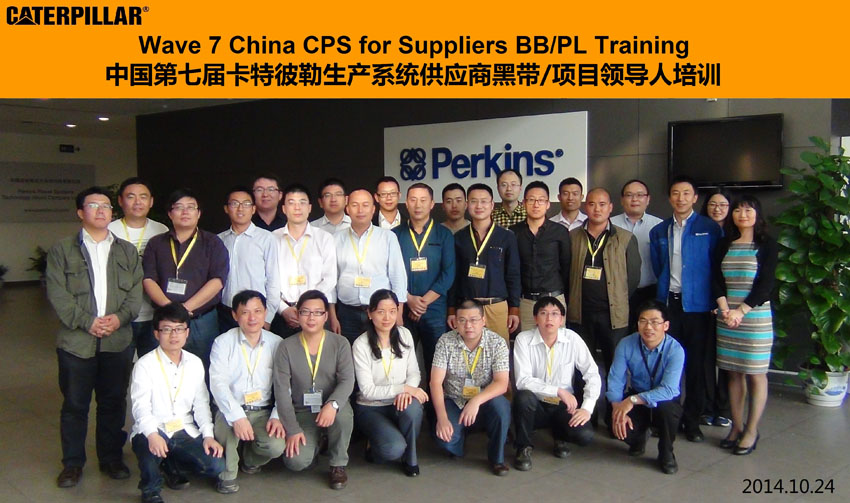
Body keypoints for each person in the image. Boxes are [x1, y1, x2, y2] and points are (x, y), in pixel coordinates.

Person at [47, 186, 144, 488]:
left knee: (113, 403)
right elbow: (57, 294)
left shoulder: (126, 251)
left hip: (117, 340)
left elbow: (135, 293)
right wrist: (87, 322)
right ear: (80, 212)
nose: (101, 210)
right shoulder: (62, 250)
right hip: (77, 343)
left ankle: (111, 458)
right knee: (75, 405)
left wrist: (118, 319)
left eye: (106, 206)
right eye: (93, 205)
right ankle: (72, 464)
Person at [649, 175, 721, 443]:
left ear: (695, 198)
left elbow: (716, 266)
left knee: (696, 366)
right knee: (667, 363)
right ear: (669, 198)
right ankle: (669, 418)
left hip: (699, 307)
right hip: (669, 305)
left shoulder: (709, 228)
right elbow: (659, 266)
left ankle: (692, 421)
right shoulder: (660, 230)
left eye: (686, 193)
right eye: (676, 193)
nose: (681, 198)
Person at [130, 302, 225, 503]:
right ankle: (151, 489)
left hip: (184, 428)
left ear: (187, 332)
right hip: (155, 428)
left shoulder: (195, 363)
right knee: (148, 449)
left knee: (216, 466)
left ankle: (170, 463)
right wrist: (152, 435)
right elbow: (140, 407)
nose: (174, 335)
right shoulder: (144, 365)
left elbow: (201, 404)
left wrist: (208, 436)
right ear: (156, 334)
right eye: (167, 329)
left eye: (179, 329)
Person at [712, 195, 777, 455]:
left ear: (757, 214)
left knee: (755, 374)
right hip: (727, 316)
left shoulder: (767, 245)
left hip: (755, 317)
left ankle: (751, 430)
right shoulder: (724, 244)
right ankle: (736, 427)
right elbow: (715, 279)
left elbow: (766, 284)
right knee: (733, 372)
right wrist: (726, 309)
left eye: (748, 210)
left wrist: (741, 311)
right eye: (738, 210)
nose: (743, 214)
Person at [272, 290, 355, 489]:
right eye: (305, 312)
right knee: (295, 462)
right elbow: (282, 391)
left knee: (343, 414)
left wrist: (332, 404)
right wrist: (292, 429)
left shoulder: (340, 343)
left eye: (317, 312)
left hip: (332, 407)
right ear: (297, 314)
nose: (311, 318)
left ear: (326, 316)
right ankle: (317, 443)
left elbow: (347, 380)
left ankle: (338, 464)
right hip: (302, 411)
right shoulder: (286, 346)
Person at [143, 188, 229, 373]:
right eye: (179, 207)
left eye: (191, 207)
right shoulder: (156, 243)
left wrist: (185, 308)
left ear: (199, 213)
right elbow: (149, 279)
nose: (185, 212)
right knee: (162, 372)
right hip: (165, 320)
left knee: (202, 371)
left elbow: (217, 280)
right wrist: (171, 309)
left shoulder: (213, 243)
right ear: (170, 213)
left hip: (202, 321)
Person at [209, 291, 285, 493]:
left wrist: (277, 416)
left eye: (257, 311)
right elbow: (218, 383)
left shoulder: (277, 343)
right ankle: (228, 474)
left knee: (276, 446)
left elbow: (284, 384)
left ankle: (250, 459)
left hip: (262, 410)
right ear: (235, 315)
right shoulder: (222, 342)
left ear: (265, 313)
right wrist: (237, 416)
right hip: (230, 408)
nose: (252, 318)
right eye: (245, 312)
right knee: (226, 435)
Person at [512, 297, 599, 471]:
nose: (549, 318)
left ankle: (561, 437)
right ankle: (523, 447)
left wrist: (587, 408)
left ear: (562, 319)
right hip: (536, 404)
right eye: (543, 313)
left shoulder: (572, 339)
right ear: (535, 318)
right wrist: (558, 390)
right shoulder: (523, 339)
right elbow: (523, 380)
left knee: (585, 435)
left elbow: (592, 373)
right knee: (523, 398)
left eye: (554, 314)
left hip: (563, 406)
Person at [431, 300, 512, 475]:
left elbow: (501, 383)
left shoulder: (497, 343)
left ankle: (497, 459)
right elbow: (435, 382)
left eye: (474, 320)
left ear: (483, 320)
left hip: (485, 400)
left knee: (501, 407)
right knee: (446, 440)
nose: (468, 326)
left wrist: (476, 401)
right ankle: (460, 437)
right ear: (455, 322)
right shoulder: (445, 341)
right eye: (462, 320)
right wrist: (442, 418)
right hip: (455, 400)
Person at [352, 290, 428, 476]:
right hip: (371, 407)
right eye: (381, 312)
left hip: (400, 401)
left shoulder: (404, 334)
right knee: (393, 449)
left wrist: (407, 392)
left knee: (413, 409)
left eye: (392, 311)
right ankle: (374, 447)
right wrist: (403, 388)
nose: (387, 317)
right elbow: (368, 391)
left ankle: (410, 458)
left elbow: (414, 372)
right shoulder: (361, 344)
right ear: (370, 313)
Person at [567, 188, 641, 374]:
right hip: (581, 314)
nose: (597, 209)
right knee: (581, 367)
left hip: (613, 315)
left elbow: (633, 279)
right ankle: (583, 395)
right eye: (592, 204)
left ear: (610, 207)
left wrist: (618, 297)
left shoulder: (625, 238)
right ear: (585, 207)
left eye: (602, 204)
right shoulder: (572, 236)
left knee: (615, 367)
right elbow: (565, 273)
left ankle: (613, 396)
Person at [607, 300, 685, 475]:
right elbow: (615, 379)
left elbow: (669, 390)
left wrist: (632, 401)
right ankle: (638, 439)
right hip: (637, 395)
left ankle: (666, 452)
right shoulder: (626, 344)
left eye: (655, 322)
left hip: (663, 399)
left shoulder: (675, 350)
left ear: (665, 326)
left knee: (667, 410)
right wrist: (617, 408)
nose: (648, 327)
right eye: (643, 321)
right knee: (617, 425)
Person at [329, 188, 408, 344]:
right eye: (355, 205)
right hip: (346, 313)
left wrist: (398, 312)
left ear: (373, 209)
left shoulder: (387, 237)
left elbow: (398, 276)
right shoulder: (335, 239)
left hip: (380, 313)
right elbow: (331, 279)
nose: (360, 210)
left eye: (365, 205)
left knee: (380, 354)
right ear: (347, 209)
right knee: (348, 355)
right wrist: (332, 315)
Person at [449, 183, 521, 346]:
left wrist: (514, 308)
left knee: (499, 353)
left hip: (496, 306)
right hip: (467, 307)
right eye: (474, 201)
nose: (479, 206)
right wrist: (451, 309)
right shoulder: (459, 238)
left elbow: (513, 275)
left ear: (492, 204)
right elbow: (454, 277)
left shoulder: (506, 236)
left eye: (484, 201)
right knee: (468, 353)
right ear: (467, 205)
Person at [393, 183, 456, 369]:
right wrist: (409, 299)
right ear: (406, 203)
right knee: (401, 362)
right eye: (413, 200)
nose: (418, 205)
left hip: (434, 309)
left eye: (423, 200)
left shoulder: (444, 234)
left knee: (436, 365)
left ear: (432, 204)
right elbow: (389, 273)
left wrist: (422, 303)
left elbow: (448, 273)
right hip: (403, 308)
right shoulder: (394, 235)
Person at [108, 177, 170, 357]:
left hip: (154, 313)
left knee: (151, 364)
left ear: (151, 201)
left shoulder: (162, 230)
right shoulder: (108, 230)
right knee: (120, 366)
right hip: (119, 314)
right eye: (131, 197)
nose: (137, 202)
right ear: (120, 201)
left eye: (143, 197)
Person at [272, 184, 337, 338]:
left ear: (309, 208)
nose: (297, 208)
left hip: (315, 315)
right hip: (283, 314)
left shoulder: (324, 238)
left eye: (302, 202)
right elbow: (267, 280)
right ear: (284, 209)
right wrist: (283, 309)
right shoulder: (272, 239)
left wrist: (307, 309)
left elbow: (330, 278)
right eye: (291, 203)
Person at [217, 186, 280, 333]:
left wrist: (267, 317)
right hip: (225, 312)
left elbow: (273, 280)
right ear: (226, 208)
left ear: (253, 209)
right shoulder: (219, 240)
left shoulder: (266, 238)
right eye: (234, 204)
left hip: (255, 314)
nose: (240, 209)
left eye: (246, 204)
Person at [510, 181, 571, 332]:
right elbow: (512, 270)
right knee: (527, 343)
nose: (536, 204)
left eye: (541, 200)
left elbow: (566, 266)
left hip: (554, 299)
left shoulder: (560, 232)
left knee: (556, 344)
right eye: (531, 200)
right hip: (526, 301)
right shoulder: (514, 232)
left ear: (548, 204)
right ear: (524, 203)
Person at [698, 188, 734, 429]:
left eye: (723, 205)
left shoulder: (735, 235)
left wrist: (724, 304)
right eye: (712, 204)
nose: (717, 209)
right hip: (703, 303)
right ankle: (707, 407)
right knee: (706, 358)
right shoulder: (699, 231)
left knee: (728, 361)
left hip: (731, 307)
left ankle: (725, 408)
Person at [610, 179, 663, 332]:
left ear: (648, 199)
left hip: (650, 292)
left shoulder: (659, 226)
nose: (634, 199)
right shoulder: (609, 225)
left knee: (649, 334)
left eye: (640, 195)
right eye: (629, 195)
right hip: (617, 294)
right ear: (622, 200)